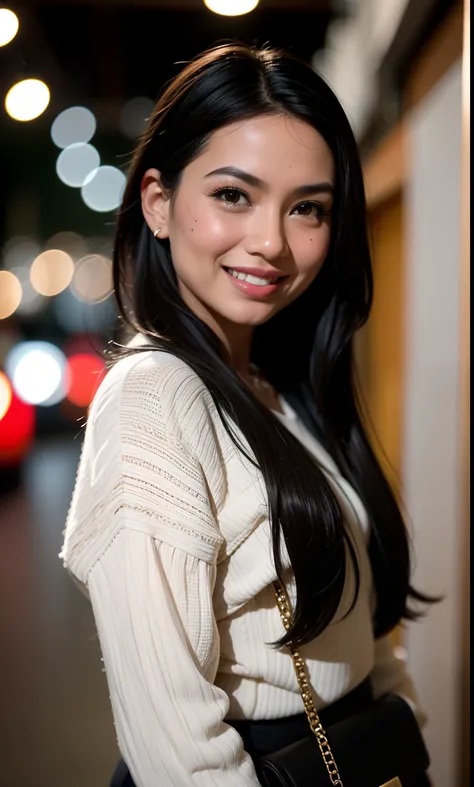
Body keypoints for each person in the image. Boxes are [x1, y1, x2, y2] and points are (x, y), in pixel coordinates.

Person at [60, 42, 433, 787]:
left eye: (308, 208)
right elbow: (180, 752)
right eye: (234, 194)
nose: (272, 242)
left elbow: (359, 631)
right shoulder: (154, 399)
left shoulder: (275, 383)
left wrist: (404, 739)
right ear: (158, 203)